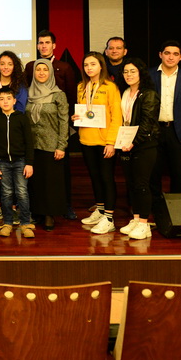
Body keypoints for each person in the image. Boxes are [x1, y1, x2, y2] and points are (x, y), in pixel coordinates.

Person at [74, 51, 121, 236]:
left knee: (106, 178)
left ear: (101, 66)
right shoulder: (81, 86)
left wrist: (111, 142)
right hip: (86, 139)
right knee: (95, 177)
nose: (89, 68)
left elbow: (117, 116)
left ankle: (109, 219)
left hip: (104, 142)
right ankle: (100, 210)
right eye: (86, 65)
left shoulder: (110, 87)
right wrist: (76, 117)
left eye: (93, 64)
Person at [148, 40, 181, 195]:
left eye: (175, 54)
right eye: (167, 53)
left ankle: (177, 207)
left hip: (178, 132)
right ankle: (156, 205)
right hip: (154, 131)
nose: (171, 57)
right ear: (160, 55)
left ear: (180, 57)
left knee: (178, 173)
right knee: (153, 173)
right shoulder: (149, 75)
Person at [116, 58, 159, 240]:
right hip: (125, 144)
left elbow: (147, 123)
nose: (129, 75)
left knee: (142, 185)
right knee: (132, 184)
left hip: (144, 144)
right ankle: (135, 219)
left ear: (141, 72)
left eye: (133, 71)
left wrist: (134, 142)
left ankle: (144, 224)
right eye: (126, 71)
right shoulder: (125, 92)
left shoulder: (148, 94)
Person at [0, 51, 28, 220]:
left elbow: (21, 108)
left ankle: (13, 209)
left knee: (15, 175)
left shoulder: (20, 86)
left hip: (14, 132)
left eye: (10, 64)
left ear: (14, 66)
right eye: (2, 64)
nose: (6, 67)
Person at [25, 59, 69, 231]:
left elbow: (64, 121)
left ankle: (50, 215)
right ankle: (38, 212)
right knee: (35, 181)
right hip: (32, 145)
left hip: (51, 145)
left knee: (50, 182)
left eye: (45, 69)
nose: (42, 72)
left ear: (50, 72)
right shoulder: (29, 93)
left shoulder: (58, 95)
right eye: (38, 70)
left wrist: (61, 145)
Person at [0, 86, 35, 238]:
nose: (5, 102)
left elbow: (29, 142)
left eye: (8, 98)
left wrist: (29, 163)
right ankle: (7, 222)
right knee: (6, 193)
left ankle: (25, 223)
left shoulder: (22, 118)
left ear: (14, 101)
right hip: (2, 162)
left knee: (22, 192)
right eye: (2, 99)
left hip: (20, 161)